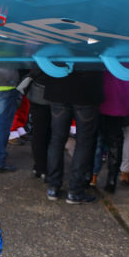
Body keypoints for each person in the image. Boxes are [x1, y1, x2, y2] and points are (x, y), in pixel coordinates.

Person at [44, 70, 103, 204]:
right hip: (87, 88)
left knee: (57, 140)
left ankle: (53, 187)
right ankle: (75, 190)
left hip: (58, 85)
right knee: (84, 142)